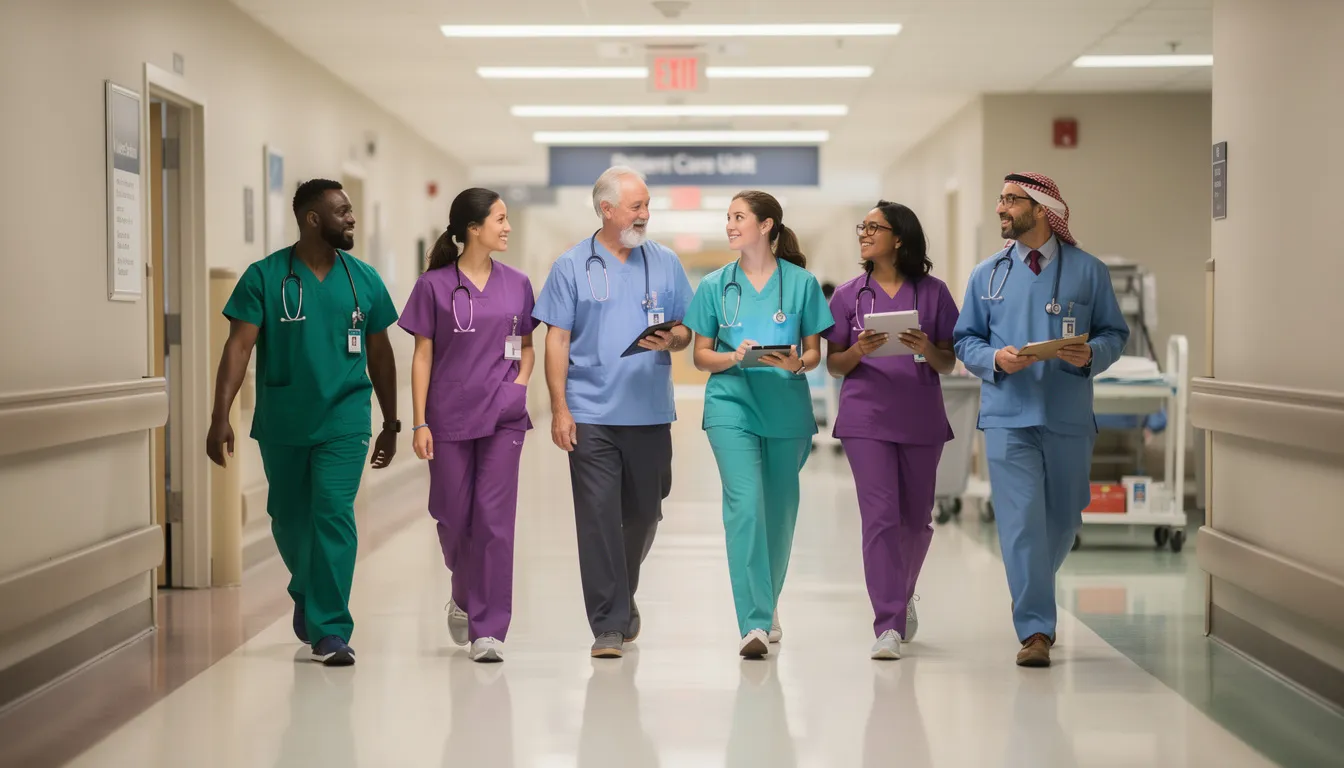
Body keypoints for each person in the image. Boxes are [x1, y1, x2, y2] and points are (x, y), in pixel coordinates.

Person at [206, 178, 400, 667]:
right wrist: (219, 415)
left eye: (351, 209)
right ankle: (308, 591)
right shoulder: (265, 277)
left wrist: (392, 422)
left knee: (334, 515)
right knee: (289, 520)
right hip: (284, 420)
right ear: (313, 219)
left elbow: (380, 353)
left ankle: (331, 628)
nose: (352, 218)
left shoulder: (364, 280)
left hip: (345, 420)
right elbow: (239, 347)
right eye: (342, 211)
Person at [953, 172, 1129, 667]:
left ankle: (1030, 589)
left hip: (1068, 413)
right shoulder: (987, 274)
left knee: (1065, 517)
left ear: (1041, 208)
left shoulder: (1088, 271)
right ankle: (1035, 630)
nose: (1001, 208)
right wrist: (995, 360)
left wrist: (1091, 353)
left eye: (1011, 200)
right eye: (1001, 199)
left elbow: (1116, 332)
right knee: (1020, 523)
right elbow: (966, 339)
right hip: (1009, 413)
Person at [532, 166, 694, 659]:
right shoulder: (570, 265)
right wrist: (560, 409)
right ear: (606, 210)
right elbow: (556, 339)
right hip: (590, 411)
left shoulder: (664, 262)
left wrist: (675, 337)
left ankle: (621, 595)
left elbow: (689, 331)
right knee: (598, 517)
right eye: (636, 206)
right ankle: (608, 622)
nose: (645, 214)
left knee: (646, 512)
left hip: (648, 411)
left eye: (647, 205)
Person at [682, 190, 833, 658]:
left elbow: (813, 351)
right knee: (745, 507)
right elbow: (700, 354)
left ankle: (765, 605)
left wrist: (798, 364)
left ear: (766, 225)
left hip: (786, 405)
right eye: (727, 217)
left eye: (739, 217)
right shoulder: (714, 285)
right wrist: (733, 357)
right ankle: (753, 622)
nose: (730, 225)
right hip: (731, 402)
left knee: (780, 515)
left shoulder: (802, 283)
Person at [397, 188, 535, 664]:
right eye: (499, 219)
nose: (507, 227)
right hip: (448, 414)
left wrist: (517, 386)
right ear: (473, 228)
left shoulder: (517, 284)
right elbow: (422, 355)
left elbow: (526, 345)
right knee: (453, 517)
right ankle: (463, 590)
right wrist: (418, 422)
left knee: (495, 523)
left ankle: (489, 629)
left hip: (504, 416)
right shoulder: (433, 286)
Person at [824, 201, 961, 660]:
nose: (863, 233)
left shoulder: (934, 294)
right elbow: (835, 365)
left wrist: (925, 346)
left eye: (873, 227)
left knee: (916, 522)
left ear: (898, 238)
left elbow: (948, 359)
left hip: (920, 417)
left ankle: (902, 595)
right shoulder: (847, 296)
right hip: (867, 419)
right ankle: (887, 623)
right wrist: (859, 350)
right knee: (880, 519)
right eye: (861, 226)